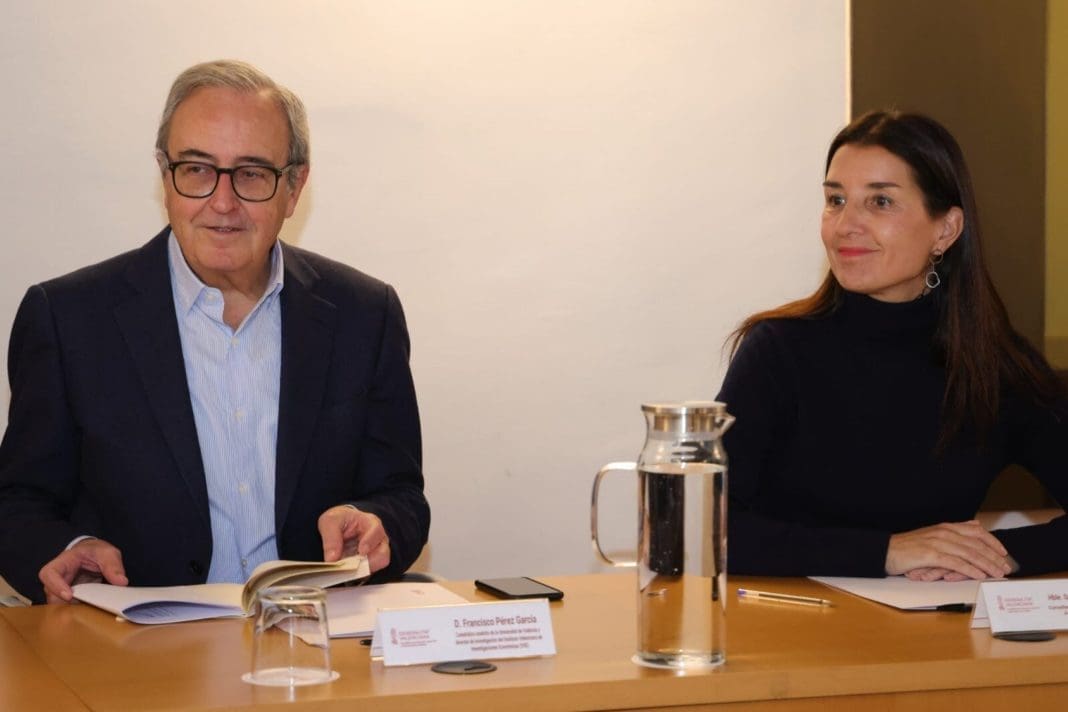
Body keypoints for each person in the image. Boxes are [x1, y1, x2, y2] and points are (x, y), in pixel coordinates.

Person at [0, 60, 430, 604]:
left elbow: (401, 496)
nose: (222, 203)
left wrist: (373, 522)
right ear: (165, 176)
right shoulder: (67, 319)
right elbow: (18, 503)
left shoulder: (365, 313)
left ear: (294, 187)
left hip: (308, 635)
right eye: (197, 169)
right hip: (135, 643)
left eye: (251, 174)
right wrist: (70, 548)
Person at [718, 110, 1068, 582]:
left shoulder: (995, 364)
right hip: (787, 621)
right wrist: (885, 552)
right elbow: (695, 530)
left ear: (945, 230)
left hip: (937, 625)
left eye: (880, 201)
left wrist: (996, 555)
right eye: (836, 200)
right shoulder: (778, 350)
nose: (845, 225)